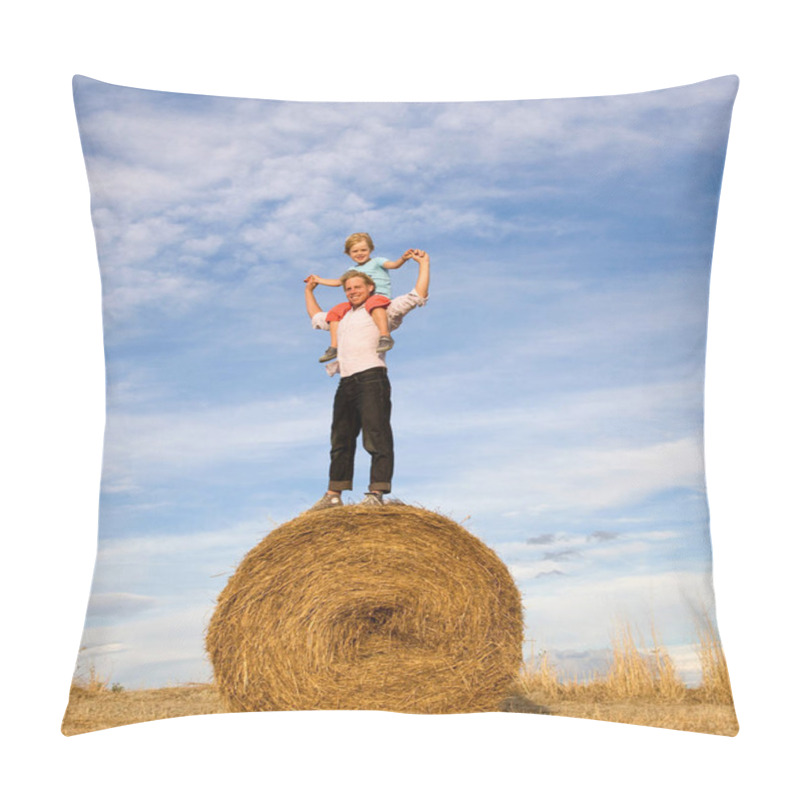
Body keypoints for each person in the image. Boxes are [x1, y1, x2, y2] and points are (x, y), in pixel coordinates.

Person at [304, 249, 430, 511]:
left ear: (370, 287)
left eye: (357, 287)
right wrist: (309, 291)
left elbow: (416, 296)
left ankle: (376, 492)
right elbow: (317, 318)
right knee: (340, 439)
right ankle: (333, 494)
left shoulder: (381, 309)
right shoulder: (342, 316)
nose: (352, 291)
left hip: (372, 378)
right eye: (348, 288)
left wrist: (424, 265)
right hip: (346, 382)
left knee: (376, 436)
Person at [305, 233, 414, 363]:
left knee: (373, 302)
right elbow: (338, 282)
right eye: (355, 251)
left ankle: (385, 336)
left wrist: (403, 258)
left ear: (370, 249)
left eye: (364, 250)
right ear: (348, 253)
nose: (360, 253)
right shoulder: (352, 270)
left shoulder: (377, 262)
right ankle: (334, 346)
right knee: (336, 311)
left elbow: (394, 265)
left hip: (378, 298)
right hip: (359, 302)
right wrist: (318, 279)